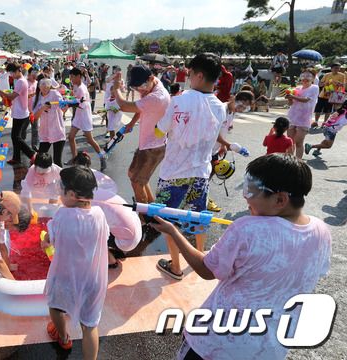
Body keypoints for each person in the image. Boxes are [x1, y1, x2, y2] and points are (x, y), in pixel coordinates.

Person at [150, 153, 331, 360]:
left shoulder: (247, 229)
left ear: (280, 199)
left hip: (217, 342)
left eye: (251, 192)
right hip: (270, 348)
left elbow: (207, 270)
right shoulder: (321, 231)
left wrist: (173, 232)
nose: (246, 199)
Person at [153, 53, 227, 280]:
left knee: (169, 221)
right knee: (199, 217)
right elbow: (215, 142)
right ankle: (201, 258)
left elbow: (159, 130)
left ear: (199, 75)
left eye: (190, 73)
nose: (188, 77)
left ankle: (175, 266)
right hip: (201, 174)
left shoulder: (179, 100)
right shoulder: (220, 106)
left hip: (173, 173)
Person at [42, 166, 109, 359]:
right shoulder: (99, 214)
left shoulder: (63, 215)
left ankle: (63, 337)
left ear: (71, 194)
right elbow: (103, 239)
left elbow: (49, 238)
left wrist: (44, 239)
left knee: (55, 306)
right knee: (90, 325)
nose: (59, 192)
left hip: (67, 277)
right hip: (94, 279)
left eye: (61, 188)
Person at [111, 64, 170, 205]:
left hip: (154, 147)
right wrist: (131, 123)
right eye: (136, 88)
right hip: (148, 143)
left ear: (150, 78)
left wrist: (116, 88)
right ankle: (151, 208)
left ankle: (145, 218)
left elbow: (125, 106)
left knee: (137, 182)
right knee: (134, 175)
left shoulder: (157, 97)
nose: (140, 90)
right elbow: (142, 107)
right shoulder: (152, 84)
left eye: (141, 86)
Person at [65, 67, 107, 171]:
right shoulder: (75, 85)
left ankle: (102, 156)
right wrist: (68, 97)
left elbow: (78, 102)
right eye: (70, 77)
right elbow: (73, 97)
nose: (71, 79)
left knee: (90, 140)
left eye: (72, 77)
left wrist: (68, 103)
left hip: (84, 115)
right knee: (71, 137)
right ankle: (74, 159)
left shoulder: (82, 88)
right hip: (79, 114)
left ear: (79, 77)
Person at [0, 63, 36, 165]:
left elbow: (12, 96)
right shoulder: (20, 81)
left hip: (20, 113)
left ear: (17, 71)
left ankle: (32, 154)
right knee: (15, 136)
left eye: (11, 73)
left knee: (16, 137)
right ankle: (16, 157)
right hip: (20, 112)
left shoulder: (20, 82)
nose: (11, 75)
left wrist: (1, 92)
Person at [33, 78, 67, 167]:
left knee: (57, 160)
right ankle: (42, 177)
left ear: (50, 87)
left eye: (47, 87)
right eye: (42, 87)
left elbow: (63, 108)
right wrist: (43, 108)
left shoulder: (55, 93)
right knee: (40, 158)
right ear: (39, 87)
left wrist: (67, 103)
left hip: (57, 129)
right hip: (45, 131)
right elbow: (35, 117)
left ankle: (60, 179)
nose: (44, 89)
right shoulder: (37, 97)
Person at [286, 71, 319, 159]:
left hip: (304, 119)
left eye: (308, 76)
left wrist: (292, 97)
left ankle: (298, 162)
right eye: (303, 76)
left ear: (313, 78)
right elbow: (290, 104)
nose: (305, 78)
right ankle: (289, 161)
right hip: (292, 117)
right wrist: (289, 98)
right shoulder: (297, 88)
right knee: (290, 142)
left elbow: (306, 99)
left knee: (298, 142)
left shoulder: (314, 88)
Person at [313, 62, 346, 127]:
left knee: (328, 110)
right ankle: (316, 122)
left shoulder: (342, 75)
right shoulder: (326, 75)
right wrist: (325, 84)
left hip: (332, 96)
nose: (337, 70)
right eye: (335, 68)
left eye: (338, 68)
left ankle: (324, 122)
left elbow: (343, 85)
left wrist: (339, 84)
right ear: (331, 68)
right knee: (318, 109)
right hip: (323, 94)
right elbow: (320, 84)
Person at [104, 66, 125, 139]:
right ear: (113, 71)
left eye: (119, 70)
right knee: (108, 116)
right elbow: (107, 80)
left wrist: (121, 85)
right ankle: (109, 131)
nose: (118, 72)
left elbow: (123, 90)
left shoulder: (121, 80)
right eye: (116, 70)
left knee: (114, 118)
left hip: (116, 100)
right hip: (108, 99)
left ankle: (114, 134)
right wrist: (115, 75)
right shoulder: (109, 77)